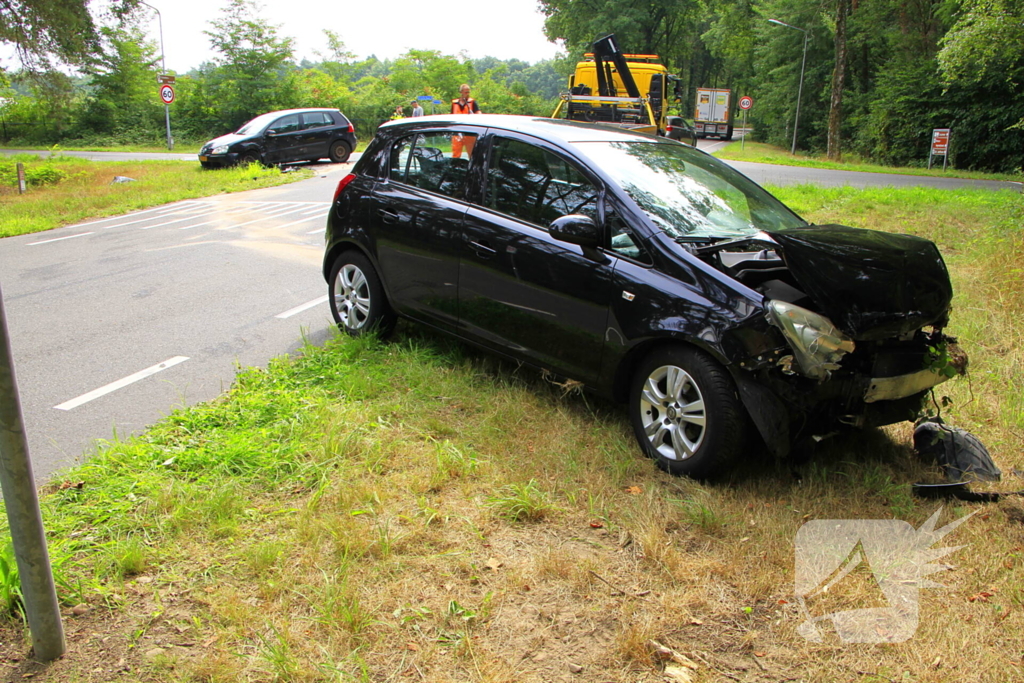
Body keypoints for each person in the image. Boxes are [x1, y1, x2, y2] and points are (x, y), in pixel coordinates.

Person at [451, 84, 480, 158]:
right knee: (456, 154)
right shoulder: (454, 103)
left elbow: (479, 115)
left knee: (471, 154)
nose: (467, 94)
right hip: (457, 133)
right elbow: (451, 117)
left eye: (468, 92)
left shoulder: (472, 102)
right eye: (466, 92)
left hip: (469, 132)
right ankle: (455, 167)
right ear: (461, 92)